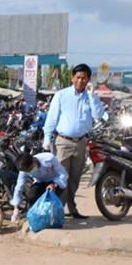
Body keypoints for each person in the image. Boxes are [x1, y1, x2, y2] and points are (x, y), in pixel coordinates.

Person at [43, 64, 106, 219]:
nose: (80, 81)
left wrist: (92, 96)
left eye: (84, 78)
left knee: (75, 179)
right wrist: (47, 137)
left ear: (88, 79)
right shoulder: (61, 95)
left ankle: (71, 209)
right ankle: (57, 211)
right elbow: (52, 118)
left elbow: (98, 115)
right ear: (72, 78)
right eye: (78, 77)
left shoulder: (90, 97)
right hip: (63, 142)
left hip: (81, 142)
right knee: (60, 178)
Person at [10, 151, 69, 223]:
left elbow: (63, 174)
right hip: (40, 182)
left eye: (31, 169)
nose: (30, 172)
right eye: (28, 171)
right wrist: (16, 208)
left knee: (52, 200)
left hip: (55, 182)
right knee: (31, 196)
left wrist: (54, 184)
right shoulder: (24, 170)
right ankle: (35, 217)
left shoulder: (49, 158)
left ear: (34, 160)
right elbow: (19, 186)